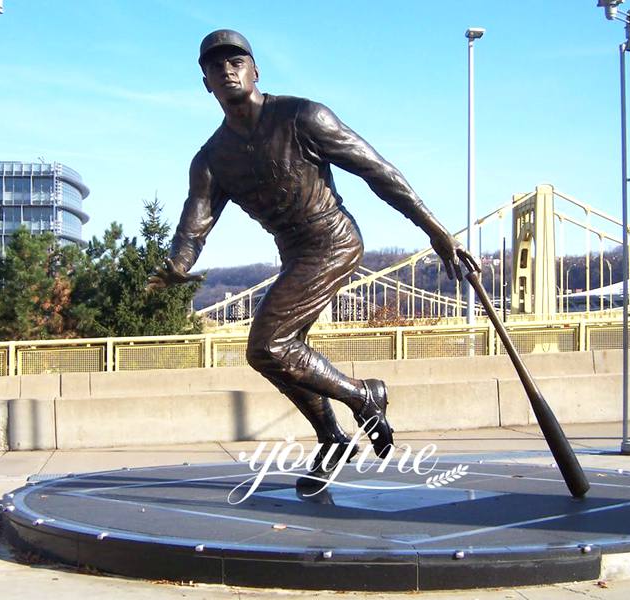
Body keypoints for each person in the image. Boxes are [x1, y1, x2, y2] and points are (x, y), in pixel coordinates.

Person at [149, 29, 475, 470]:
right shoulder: (211, 158)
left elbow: (378, 171)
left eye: (236, 61)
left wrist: (435, 231)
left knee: (267, 346)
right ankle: (333, 438)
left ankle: (365, 396)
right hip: (293, 252)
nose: (227, 70)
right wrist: (178, 263)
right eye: (215, 66)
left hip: (333, 241)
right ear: (205, 82)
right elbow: (196, 220)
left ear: (255, 70)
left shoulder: (303, 117)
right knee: (285, 355)